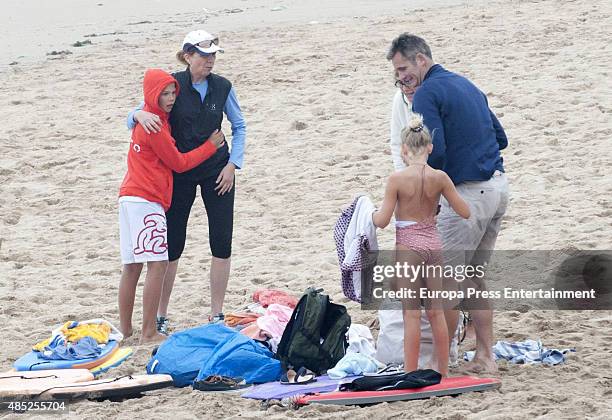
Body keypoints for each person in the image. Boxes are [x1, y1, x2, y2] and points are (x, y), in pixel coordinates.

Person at [387, 33, 509, 373]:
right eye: (397, 72)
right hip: (498, 187)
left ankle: (446, 362)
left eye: (404, 69)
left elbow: (433, 151)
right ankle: (485, 355)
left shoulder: (426, 93)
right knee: (473, 277)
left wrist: (424, 192)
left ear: (422, 59)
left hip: (468, 193)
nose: (401, 77)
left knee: (448, 282)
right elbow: (502, 138)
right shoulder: (466, 84)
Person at [127, 30, 247, 332]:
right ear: (188, 55)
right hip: (179, 173)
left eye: (214, 55)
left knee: (221, 240)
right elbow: (143, 110)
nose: (210, 60)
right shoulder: (172, 84)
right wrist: (137, 115)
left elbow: (240, 125)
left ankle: (217, 313)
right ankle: (161, 315)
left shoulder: (222, 87)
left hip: (217, 171)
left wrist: (233, 165)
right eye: (204, 55)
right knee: (172, 245)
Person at [118, 68, 225, 343]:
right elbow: (179, 163)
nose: (170, 99)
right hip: (146, 200)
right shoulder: (155, 127)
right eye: (164, 94)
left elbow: (135, 112)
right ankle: (149, 331)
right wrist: (211, 146)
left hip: (129, 197)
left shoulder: (147, 115)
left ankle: (126, 331)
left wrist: (136, 114)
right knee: (157, 265)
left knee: (131, 267)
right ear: (152, 95)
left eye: (172, 93)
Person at [373, 114, 470, 376]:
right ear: (429, 147)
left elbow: (382, 221)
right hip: (433, 244)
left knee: (412, 315)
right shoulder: (440, 177)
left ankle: (411, 371)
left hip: (408, 247)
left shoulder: (397, 179)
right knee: (436, 312)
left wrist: (368, 214)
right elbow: (465, 212)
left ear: (404, 150)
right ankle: (443, 372)